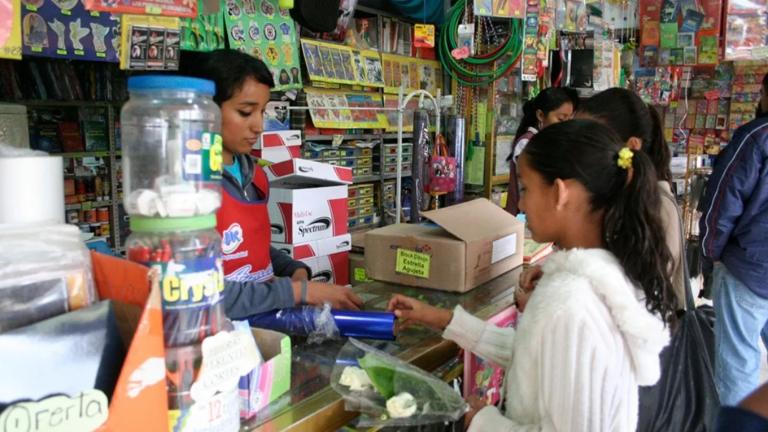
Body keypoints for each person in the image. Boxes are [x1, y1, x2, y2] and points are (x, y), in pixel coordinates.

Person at [390, 119, 674, 431]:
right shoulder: (595, 279)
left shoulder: (571, 302)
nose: (521, 203)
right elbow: (536, 357)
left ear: (560, 192)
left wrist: (480, 421)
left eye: (526, 188)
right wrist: (442, 319)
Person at [179, 49, 362, 319]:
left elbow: (246, 244)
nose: (259, 126)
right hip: (220, 336)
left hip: (263, 322)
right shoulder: (187, 187)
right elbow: (199, 294)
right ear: (204, 110)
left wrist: (291, 269)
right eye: (245, 112)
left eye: (263, 111)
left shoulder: (254, 174)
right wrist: (298, 292)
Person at [699, 74, 768, 406]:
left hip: (748, 270)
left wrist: (710, 254)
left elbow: (721, 201)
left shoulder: (755, 138)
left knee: (737, 370)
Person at [505, 87, 577, 214]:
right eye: (560, 119)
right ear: (541, 115)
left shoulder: (551, 142)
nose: (565, 125)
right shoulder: (526, 143)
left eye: (569, 120)